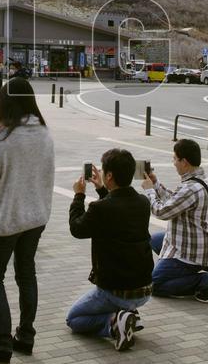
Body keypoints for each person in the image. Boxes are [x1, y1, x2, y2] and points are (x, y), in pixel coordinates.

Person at [0, 78, 55, 363]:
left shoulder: (4, 137)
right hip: (36, 217)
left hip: (7, 220)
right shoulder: (44, 132)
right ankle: (26, 337)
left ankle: (1, 345)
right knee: (26, 274)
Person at [66, 148, 153, 352]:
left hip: (116, 291)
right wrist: (101, 189)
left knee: (74, 319)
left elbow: (77, 229)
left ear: (110, 176)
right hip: (144, 289)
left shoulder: (100, 209)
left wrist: (78, 195)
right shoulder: (143, 202)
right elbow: (117, 210)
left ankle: (114, 323)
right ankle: (128, 316)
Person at [145, 138, 208, 301]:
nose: (173, 163)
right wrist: (156, 183)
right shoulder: (201, 180)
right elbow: (175, 200)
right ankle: (171, 271)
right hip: (196, 242)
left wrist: (150, 191)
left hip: (191, 252)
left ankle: (204, 281)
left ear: (184, 162)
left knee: (153, 285)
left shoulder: (191, 188)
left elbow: (161, 212)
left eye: (175, 159)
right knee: (151, 240)